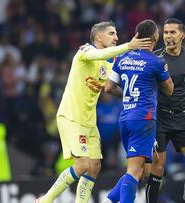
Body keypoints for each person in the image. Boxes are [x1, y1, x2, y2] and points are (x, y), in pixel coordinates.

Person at [34, 21, 152, 203]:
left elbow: (120, 79)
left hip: (89, 121)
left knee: (95, 166)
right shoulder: (84, 52)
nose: (116, 38)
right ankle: (44, 200)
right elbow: (102, 54)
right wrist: (129, 46)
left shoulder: (109, 63)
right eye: (111, 34)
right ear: (99, 37)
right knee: (82, 165)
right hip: (71, 117)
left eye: (116, 34)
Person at [102, 19, 174, 203]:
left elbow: (109, 87)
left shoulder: (123, 58)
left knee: (143, 171)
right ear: (155, 38)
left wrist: (127, 93)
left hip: (125, 118)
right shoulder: (156, 61)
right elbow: (169, 89)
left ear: (137, 36)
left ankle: (109, 201)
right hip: (144, 119)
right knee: (134, 171)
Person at [145, 18, 185, 203]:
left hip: (184, 117)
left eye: (172, 32)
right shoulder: (154, 58)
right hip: (159, 118)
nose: (168, 36)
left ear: (182, 35)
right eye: (165, 32)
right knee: (157, 167)